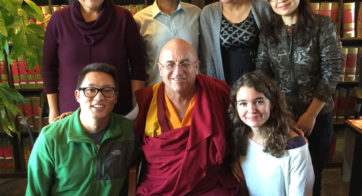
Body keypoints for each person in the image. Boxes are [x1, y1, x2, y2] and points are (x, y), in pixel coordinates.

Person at [134, 39, 245, 195]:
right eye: (170, 64)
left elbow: (239, 128)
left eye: (185, 64)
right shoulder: (146, 99)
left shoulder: (218, 92)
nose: (178, 71)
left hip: (209, 186)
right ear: (160, 69)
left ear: (196, 67)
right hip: (160, 187)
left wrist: (235, 157)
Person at [255, 0, 342, 195]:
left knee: (313, 175)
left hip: (318, 116)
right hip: (279, 117)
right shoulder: (268, 32)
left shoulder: (323, 25)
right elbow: (262, 74)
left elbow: (332, 71)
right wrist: (283, 115)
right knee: (283, 175)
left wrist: (311, 114)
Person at [26, 63, 136, 195]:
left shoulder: (128, 131)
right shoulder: (50, 138)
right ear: (78, 95)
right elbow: (35, 192)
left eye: (107, 90)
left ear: (116, 97)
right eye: (90, 90)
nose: (99, 97)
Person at [42, 0, 146, 123]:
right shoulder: (58, 20)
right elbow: (48, 67)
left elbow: (138, 65)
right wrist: (53, 111)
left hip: (118, 114)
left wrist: (136, 108)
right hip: (69, 116)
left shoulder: (123, 18)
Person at [228, 72, 314, 195]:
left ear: (272, 103)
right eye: (243, 103)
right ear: (235, 107)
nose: (251, 110)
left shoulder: (296, 147)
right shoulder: (240, 138)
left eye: (258, 101)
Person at [200, 0, 269, 86]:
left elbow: (273, 47)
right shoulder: (208, 13)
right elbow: (207, 59)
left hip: (259, 82)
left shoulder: (262, 6)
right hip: (225, 84)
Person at [133, 0, 200, 85]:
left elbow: (206, 57)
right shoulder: (140, 20)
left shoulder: (196, 14)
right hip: (156, 91)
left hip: (194, 91)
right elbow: (137, 66)